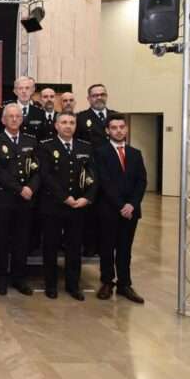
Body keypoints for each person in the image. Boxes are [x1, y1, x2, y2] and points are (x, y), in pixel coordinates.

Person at [37, 112, 97, 301]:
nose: (68, 126)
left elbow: (93, 176)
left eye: (71, 122)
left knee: (74, 247)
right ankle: (51, 285)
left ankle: (73, 286)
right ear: (56, 126)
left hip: (78, 206)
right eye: (64, 122)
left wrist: (87, 198)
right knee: (51, 246)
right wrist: (64, 197)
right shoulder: (46, 146)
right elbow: (45, 176)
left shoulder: (85, 147)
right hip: (53, 205)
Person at [0, 103, 40, 296]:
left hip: (26, 200)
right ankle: (1, 278)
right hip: (3, 199)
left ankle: (19, 278)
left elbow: (37, 169)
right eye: (10, 116)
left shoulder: (31, 141)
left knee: (22, 241)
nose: (14, 119)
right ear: (3, 120)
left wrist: (31, 188)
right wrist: (20, 189)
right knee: (1, 241)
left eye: (18, 116)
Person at [94, 114, 147, 304]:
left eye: (121, 127)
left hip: (130, 211)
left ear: (126, 129)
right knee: (107, 247)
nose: (118, 130)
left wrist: (132, 204)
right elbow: (104, 182)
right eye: (114, 127)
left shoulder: (135, 153)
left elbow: (142, 181)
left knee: (125, 248)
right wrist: (120, 204)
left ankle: (125, 284)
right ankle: (107, 282)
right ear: (107, 131)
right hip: (109, 209)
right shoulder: (100, 153)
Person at [76, 83, 116, 257]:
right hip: (90, 171)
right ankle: (90, 246)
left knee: (108, 212)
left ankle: (106, 247)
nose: (99, 97)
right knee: (89, 212)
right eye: (95, 95)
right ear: (88, 98)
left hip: (111, 171)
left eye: (102, 94)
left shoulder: (116, 116)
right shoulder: (81, 118)